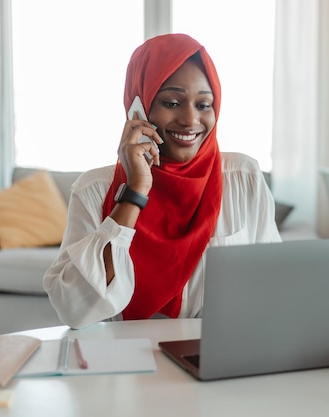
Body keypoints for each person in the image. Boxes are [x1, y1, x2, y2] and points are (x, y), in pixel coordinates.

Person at [44, 33, 281, 329]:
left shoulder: (243, 177)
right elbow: (73, 309)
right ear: (138, 108)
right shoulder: (93, 190)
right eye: (172, 102)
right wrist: (134, 192)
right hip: (121, 359)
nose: (190, 120)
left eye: (204, 105)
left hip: (214, 356)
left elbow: (273, 287)